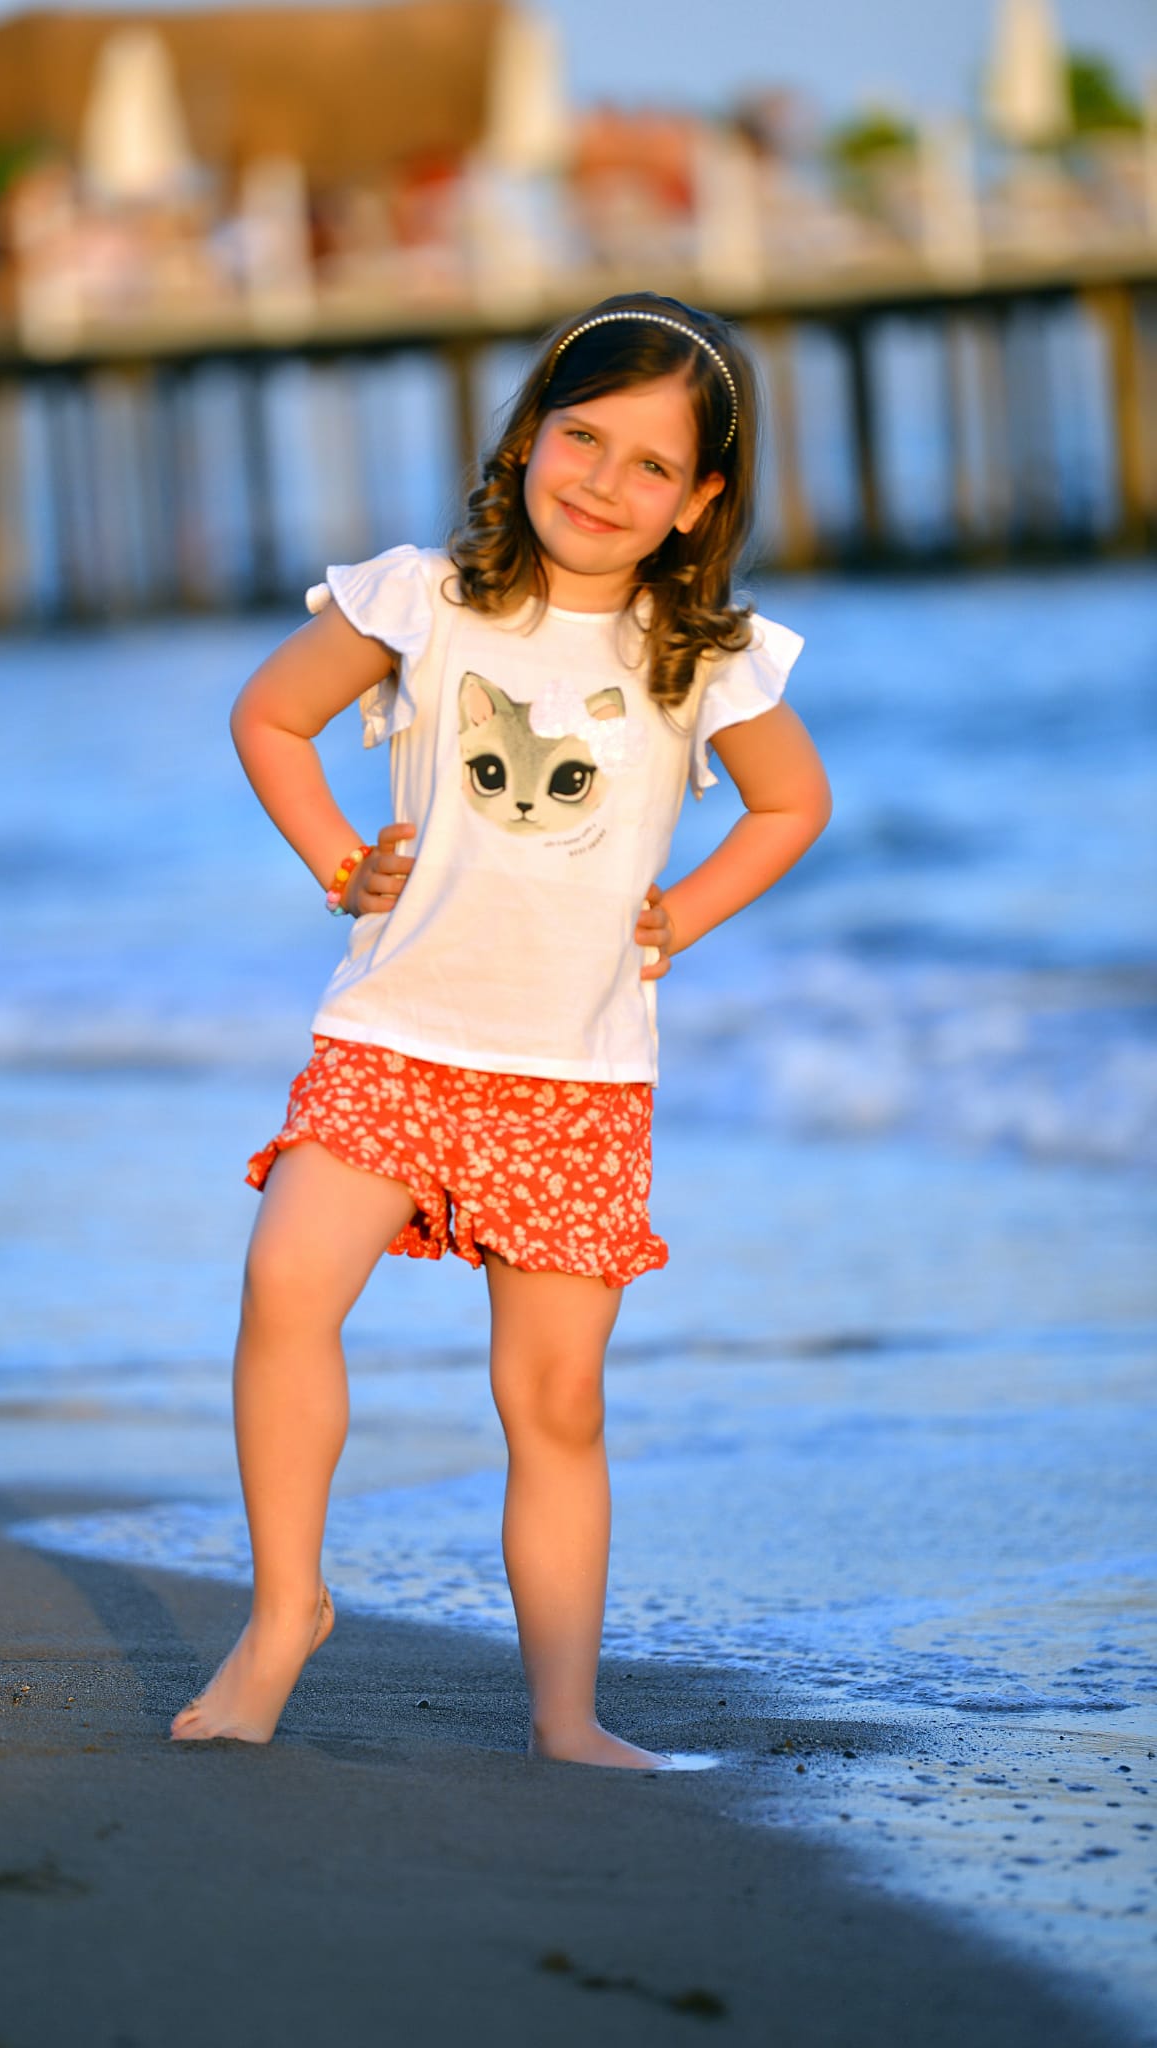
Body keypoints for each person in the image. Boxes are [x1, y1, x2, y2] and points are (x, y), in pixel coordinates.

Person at [170, 289, 832, 1768]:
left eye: (649, 466)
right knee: (287, 1282)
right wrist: (341, 858)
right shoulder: (425, 597)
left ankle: (565, 1713)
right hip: (394, 1036)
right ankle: (285, 1615)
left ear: (698, 500)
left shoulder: (700, 652)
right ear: (528, 435)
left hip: (578, 1077)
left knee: (554, 1400)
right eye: (580, 439)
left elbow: (794, 805)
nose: (603, 483)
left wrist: (688, 909)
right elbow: (270, 718)